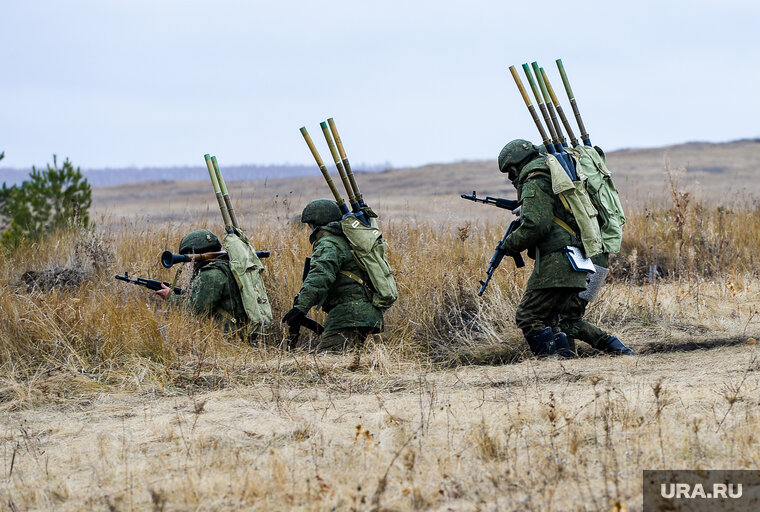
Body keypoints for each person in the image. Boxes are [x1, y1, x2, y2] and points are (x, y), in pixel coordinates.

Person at [497, 139, 634, 357]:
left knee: (531, 315)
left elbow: (536, 225)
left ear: (516, 165)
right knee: (560, 320)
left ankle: (565, 361)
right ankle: (571, 360)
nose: (511, 178)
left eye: (510, 172)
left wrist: (510, 243)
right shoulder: (557, 176)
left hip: (562, 260)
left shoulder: (535, 179)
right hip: (585, 257)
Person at [282, 199, 384, 354]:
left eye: (310, 226)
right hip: (361, 312)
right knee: (348, 362)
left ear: (316, 224)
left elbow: (319, 277)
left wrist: (300, 308)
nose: (309, 230)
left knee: (327, 362)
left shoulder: (328, 244)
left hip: (349, 313)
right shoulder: (346, 239)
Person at [156, 229, 254, 343]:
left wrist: (171, 297)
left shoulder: (211, 274)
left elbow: (194, 311)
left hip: (228, 339)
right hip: (239, 334)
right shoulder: (228, 265)